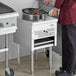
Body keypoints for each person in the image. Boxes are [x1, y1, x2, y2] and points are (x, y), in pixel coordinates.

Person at [49, 0, 76, 76]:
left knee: (68, 44)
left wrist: (56, 7)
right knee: (73, 43)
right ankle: (71, 67)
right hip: (73, 10)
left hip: (69, 13)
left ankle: (68, 71)